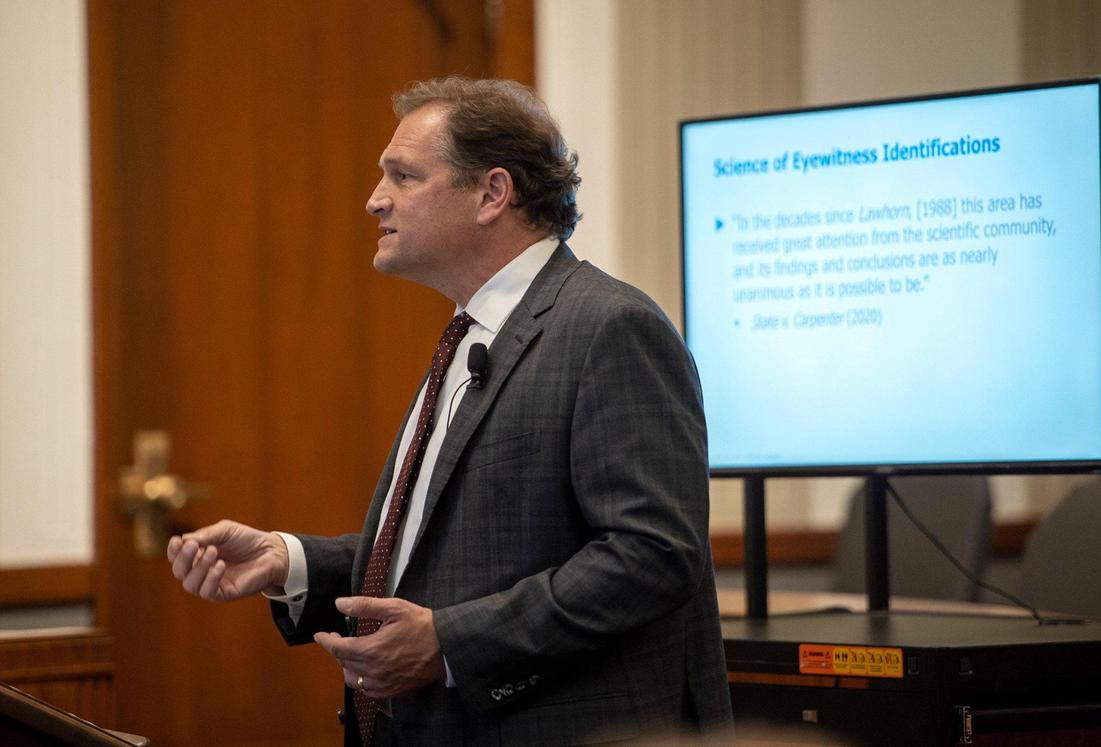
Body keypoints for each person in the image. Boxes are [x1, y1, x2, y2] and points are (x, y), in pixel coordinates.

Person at [167, 76, 732, 746]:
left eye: (403, 177)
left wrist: (450, 643)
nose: (375, 200)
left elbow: (653, 553)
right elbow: (447, 552)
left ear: (493, 193)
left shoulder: (609, 326)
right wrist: (288, 561)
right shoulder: (471, 336)